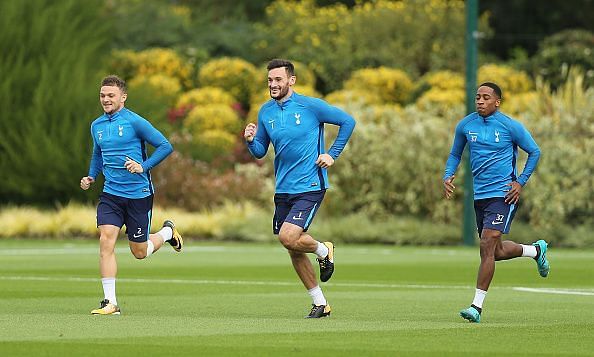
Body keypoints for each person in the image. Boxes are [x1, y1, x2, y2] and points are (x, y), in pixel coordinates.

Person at [244, 59, 356, 318]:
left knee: (288, 237)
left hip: (311, 184)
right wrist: (250, 140)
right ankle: (320, 304)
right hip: (283, 188)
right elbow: (260, 152)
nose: (273, 84)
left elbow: (347, 121)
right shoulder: (265, 112)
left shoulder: (310, 106)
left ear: (291, 80)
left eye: (278, 80)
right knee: (292, 248)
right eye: (270, 80)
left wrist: (332, 154)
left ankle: (323, 250)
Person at [443, 82, 550, 323]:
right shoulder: (465, 125)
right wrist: (448, 174)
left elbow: (534, 151)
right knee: (496, 251)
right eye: (478, 97)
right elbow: (455, 154)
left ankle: (476, 307)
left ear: (497, 102)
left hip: (503, 194)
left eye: (486, 97)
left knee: (487, 244)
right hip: (480, 196)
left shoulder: (509, 126)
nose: (480, 101)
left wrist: (520, 182)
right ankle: (535, 250)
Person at [80, 75, 183, 315]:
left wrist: (143, 167)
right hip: (111, 194)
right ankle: (110, 303)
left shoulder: (135, 122)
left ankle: (167, 232)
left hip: (138, 194)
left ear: (123, 97)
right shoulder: (97, 125)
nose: (105, 99)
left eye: (111, 95)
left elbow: (165, 145)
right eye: (102, 95)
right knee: (106, 240)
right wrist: (91, 176)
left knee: (139, 252)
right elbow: (98, 154)